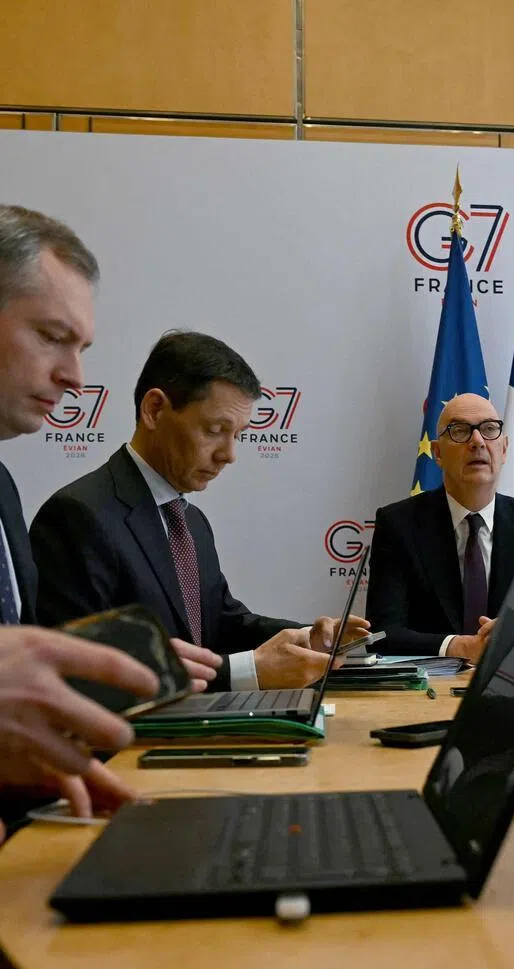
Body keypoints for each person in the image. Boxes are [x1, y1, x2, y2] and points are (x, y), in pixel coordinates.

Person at [30, 330, 368, 690]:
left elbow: (220, 622)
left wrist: (307, 638)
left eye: (238, 434)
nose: (229, 454)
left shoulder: (189, 518)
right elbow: (84, 672)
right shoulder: (78, 516)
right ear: (155, 409)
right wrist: (247, 672)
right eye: (215, 430)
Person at [0, 203, 177, 823]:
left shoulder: (3, 490)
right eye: (51, 337)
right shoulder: (80, 511)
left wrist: (37, 772)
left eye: (82, 347)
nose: (76, 377)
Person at [365, 392, 514, 661]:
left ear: (504, 449)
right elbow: (383, 634)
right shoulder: (398, 525)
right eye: (460, 431)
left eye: (490, 429)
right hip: (424, 693)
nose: (477, 441)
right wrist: (460, 646)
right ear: (437, 453)